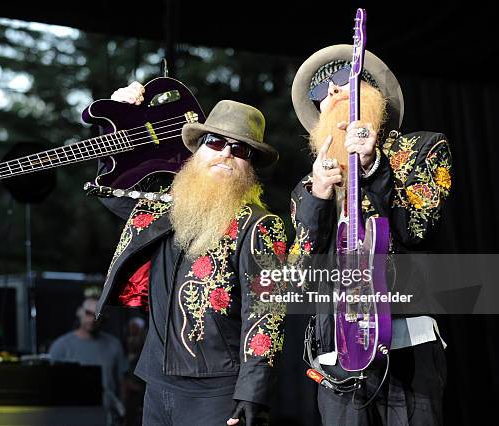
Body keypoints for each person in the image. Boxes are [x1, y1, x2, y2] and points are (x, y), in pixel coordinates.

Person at [95, 82, 287, 426]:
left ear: (250, 165)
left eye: (240, 149)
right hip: (157, 379)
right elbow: (112, 190)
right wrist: (117, 117)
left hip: (218, 390)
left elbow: (267, 312)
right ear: (197, 151)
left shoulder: (259, 225)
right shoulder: (164, 210)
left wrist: (252, 392)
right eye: (215, 142)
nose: (226, 153)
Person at [288, 45, 452, 425]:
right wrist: (318, 200)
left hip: (407, 344)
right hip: (339, 355)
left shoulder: (420, 149)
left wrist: (374, 168)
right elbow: (298, 275)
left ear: (373, 91)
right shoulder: (309, 184)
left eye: (344, 79)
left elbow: (420, 229)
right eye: (322, 91)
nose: (332, 91)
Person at [49, 296, 128, 424]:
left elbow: (122, 383)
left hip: (106, 417)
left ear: (104, 317)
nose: (92, 319)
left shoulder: (114, 345)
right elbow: (51, 387)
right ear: (79, 312)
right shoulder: (61, 346)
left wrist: (123, 414)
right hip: (72, 416)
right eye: (88, 313)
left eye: (97, 314)